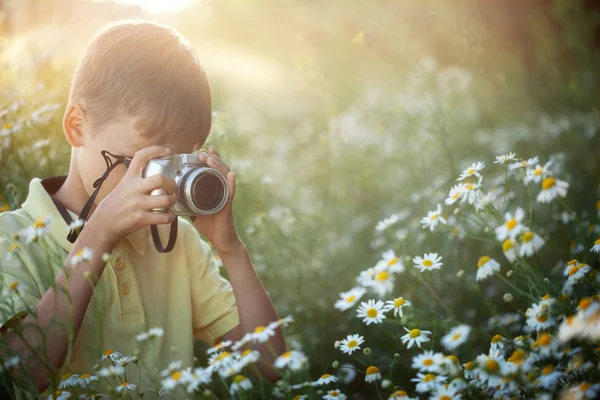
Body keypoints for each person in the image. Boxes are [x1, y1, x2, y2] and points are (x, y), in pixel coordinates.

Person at [0, 19, 285, 398]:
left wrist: (229, 249)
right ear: (76, 125)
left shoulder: (177, 243)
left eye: (174, 168)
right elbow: (16, 376)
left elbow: (269, 365)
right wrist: (98, 234)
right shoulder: (12, 240)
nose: (155, 184)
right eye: (139, 162)